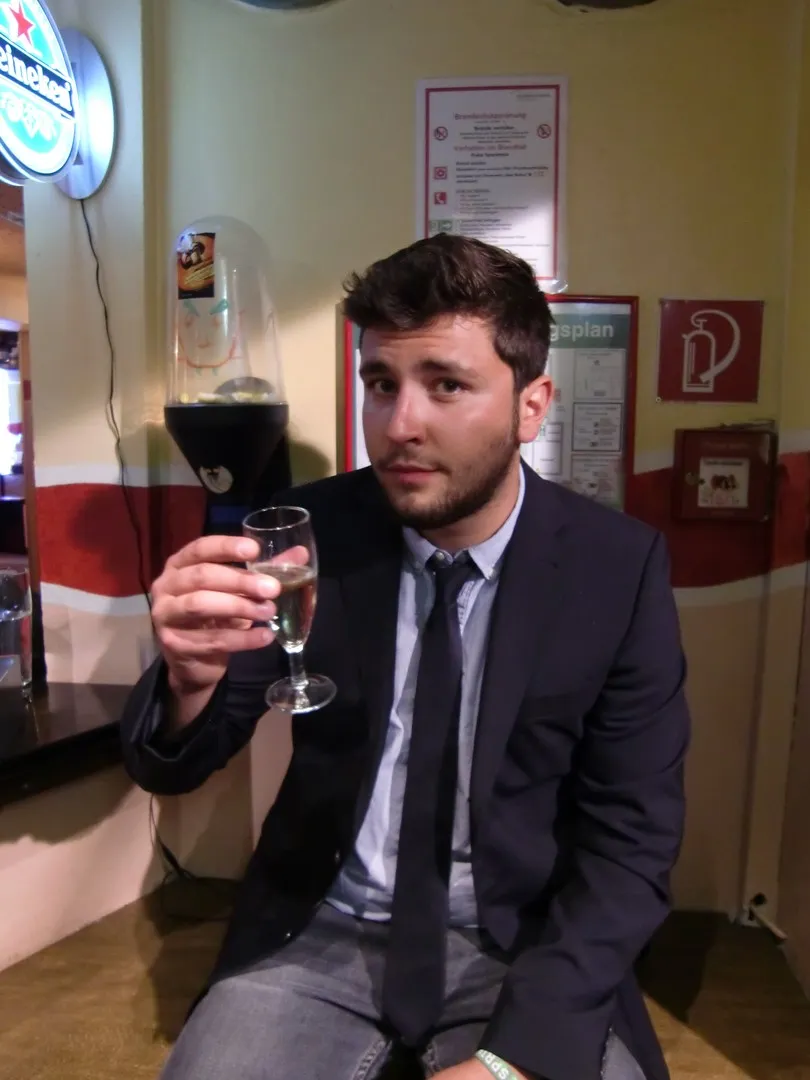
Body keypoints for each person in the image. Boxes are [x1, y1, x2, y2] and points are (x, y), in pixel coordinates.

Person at [120, 234, 690, 1080]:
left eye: (446, 385)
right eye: (381, 383)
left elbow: (633, 840)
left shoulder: (615, 568)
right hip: (317, 932)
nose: (399, 426)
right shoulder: (309, 534)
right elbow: (174, 763)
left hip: (522, 944)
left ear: (532, 406)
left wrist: (516, 1060)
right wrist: (189, 680)